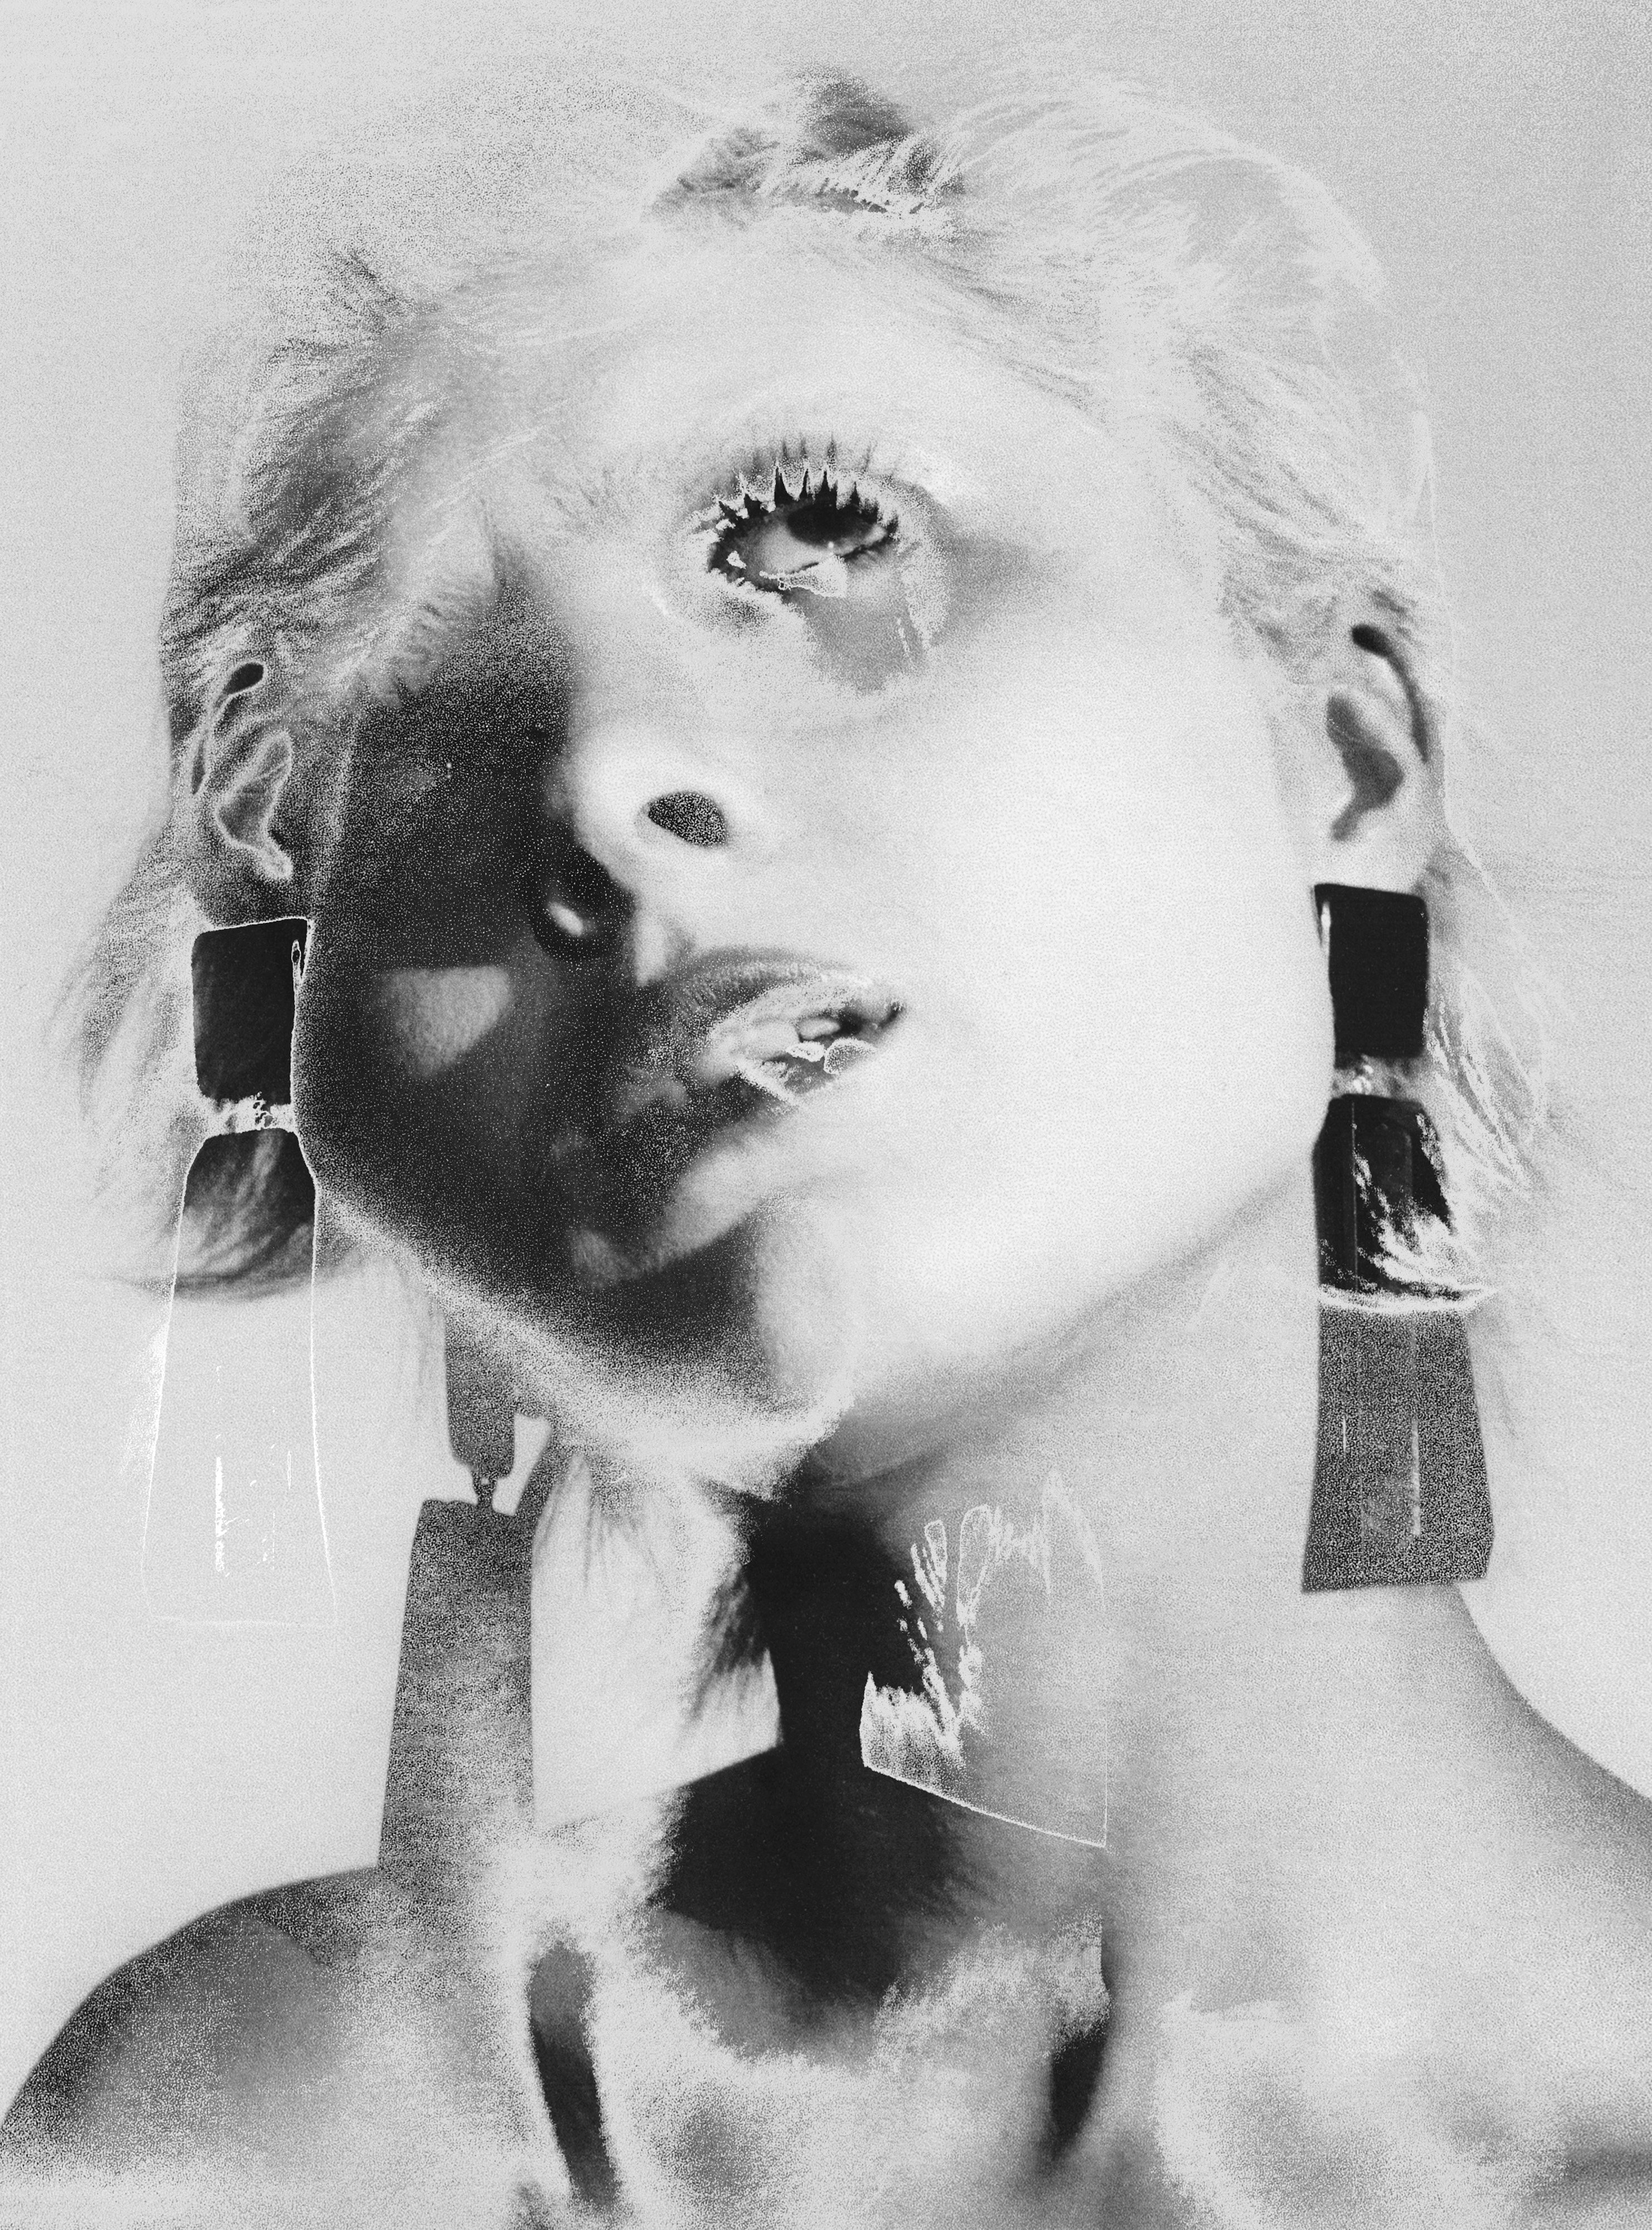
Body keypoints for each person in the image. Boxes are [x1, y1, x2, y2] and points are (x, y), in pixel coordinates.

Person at [5, 60, 1648, 2229]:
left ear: (1344, 763)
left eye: (813, 534)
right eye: (418, 714)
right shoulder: (237, 2142)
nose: (604, 775)